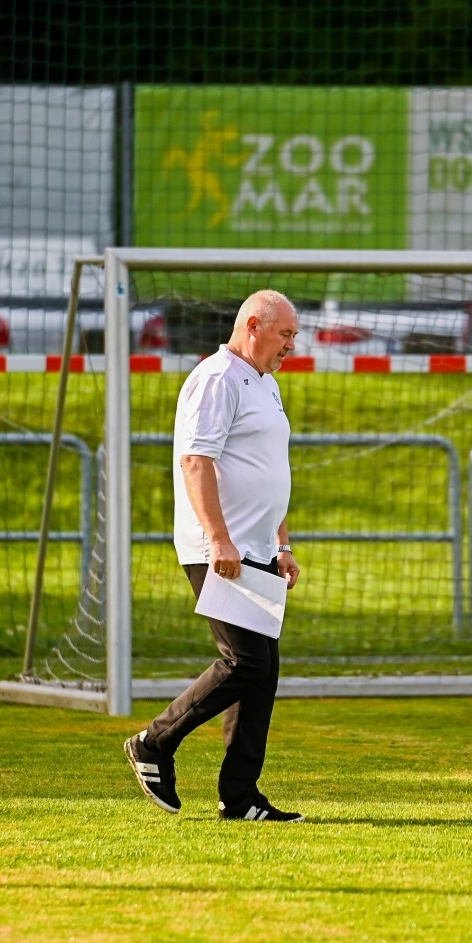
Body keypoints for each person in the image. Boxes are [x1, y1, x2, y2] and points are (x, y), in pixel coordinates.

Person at [124, 289, 305, 823]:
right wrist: (220, 539)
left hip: (257, 547)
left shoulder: (266, 386)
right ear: (253, 325)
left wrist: (283, 543)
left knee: (262, 669)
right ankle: (154, 743)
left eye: (294, 336)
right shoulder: (217, 378)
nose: (290, 345)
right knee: (245, 662)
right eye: (285, 334)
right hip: (219, 549)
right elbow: (197, 462)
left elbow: (267, 472)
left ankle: (241, 797)